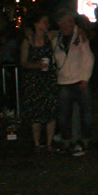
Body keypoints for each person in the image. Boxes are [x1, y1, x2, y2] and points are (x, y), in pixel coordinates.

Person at [51, 9, 95, 153]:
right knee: (64, 115)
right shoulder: (55, 39)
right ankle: (66, 140)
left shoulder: (79, 36)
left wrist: (85, 78)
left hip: (80, 80)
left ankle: (86, 140)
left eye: (72, 21)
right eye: (68, 21)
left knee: (86, 113)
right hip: (63, 81)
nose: (71, 24)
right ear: (60, 22)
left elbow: (88, 57)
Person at [19, 11, 58, 151]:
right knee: (36, 112)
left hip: (48, 79)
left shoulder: (50, 37)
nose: (47, 24)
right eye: (44, 22)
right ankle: (37, 143)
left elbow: (62, 31)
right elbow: (23, 62)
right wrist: (36, 65)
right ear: (36, 24)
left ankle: (49, 143)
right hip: (34, 80)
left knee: (50, 111)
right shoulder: (28, 41)